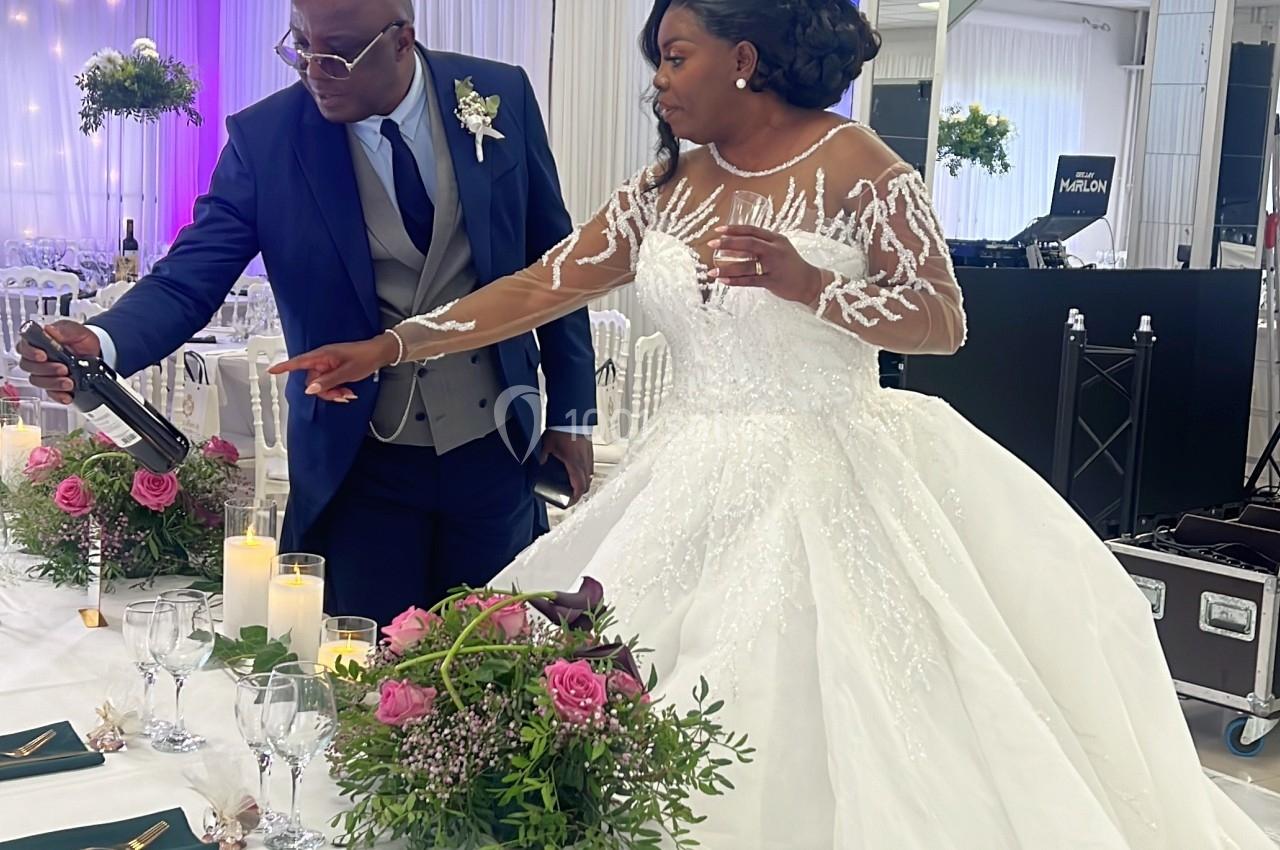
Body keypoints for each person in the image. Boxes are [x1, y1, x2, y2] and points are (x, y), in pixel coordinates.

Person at [272, 0, 1274, 846]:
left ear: (742, 60)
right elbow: (541, 285)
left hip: (832, 465)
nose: (657, 84)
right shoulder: (665, 186)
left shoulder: (855, 165)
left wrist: (806, 283)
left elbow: (939, 318)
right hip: (684, 467)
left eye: (674, 58)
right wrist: (391, 347)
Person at [17, 0, 598, 628]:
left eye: (337, 53)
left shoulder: (499, 94)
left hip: (496, 445)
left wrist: (573, 412)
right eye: (299, 46)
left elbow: (558, 264)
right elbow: (189, 278)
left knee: (494, 666)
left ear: (402, 40)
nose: (314, 70)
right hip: (361, 463)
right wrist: (102, 341)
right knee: (368, 677)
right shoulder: (266, 141)